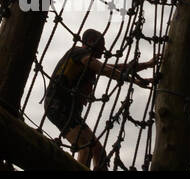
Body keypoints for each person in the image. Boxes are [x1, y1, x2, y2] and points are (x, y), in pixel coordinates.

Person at [43, 28, 158, 169]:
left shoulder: (87, 63)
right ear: (91, 41)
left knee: (98, 151)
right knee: (86, 148)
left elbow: (119, 67)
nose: (104, 49)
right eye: (102, 44)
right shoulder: (78, 53)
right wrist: (135, 81)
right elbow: (105, 70)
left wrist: (147, 64)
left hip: (67, 110)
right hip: (58, 106)